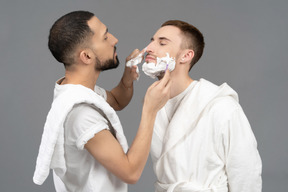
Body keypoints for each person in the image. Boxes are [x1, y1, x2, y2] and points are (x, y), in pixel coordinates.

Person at [33, 11, 171, 192]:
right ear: (87, 56)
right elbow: (131, 172)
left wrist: (127, 79)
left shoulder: (75, 90)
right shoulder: (81, 114)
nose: (115, 40)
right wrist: (150, 110)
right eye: (105, 37)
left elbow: (116, 100)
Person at [142, 20, 262, 192]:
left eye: (161, 43)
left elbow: (246, 174)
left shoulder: (221, 106)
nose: (148, 48)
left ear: (186, 56)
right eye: (151, 41)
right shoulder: (154, 105)